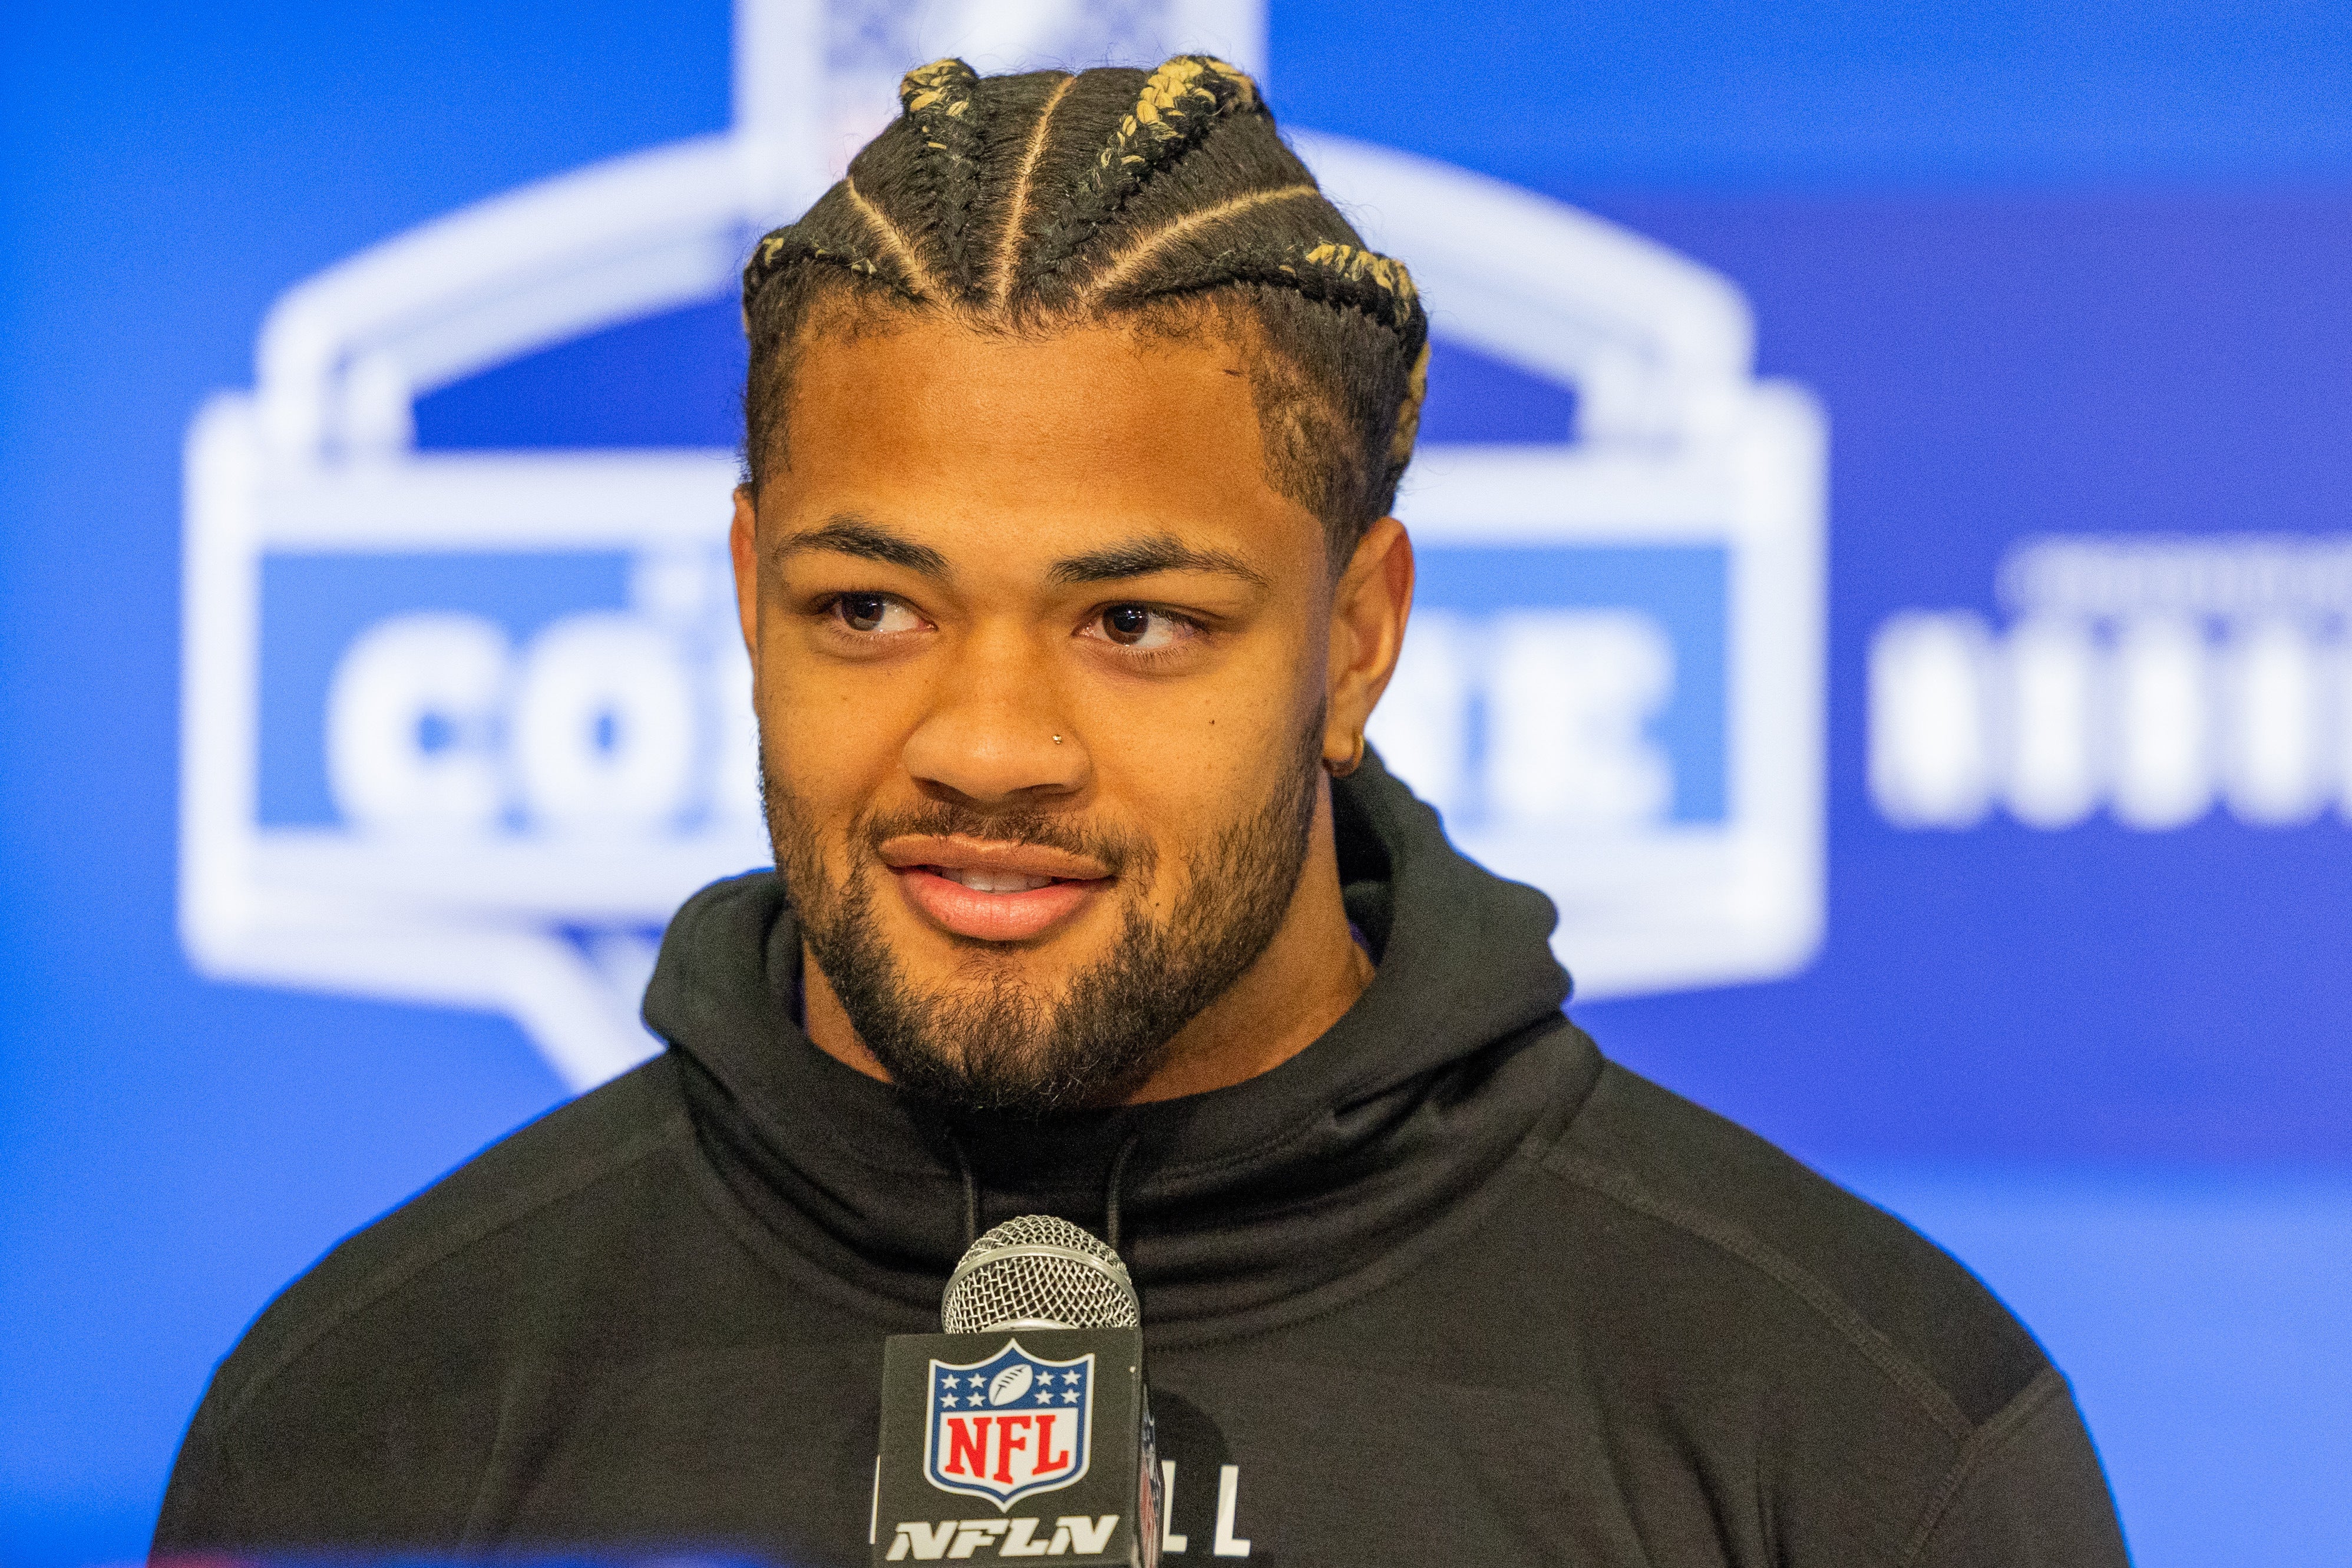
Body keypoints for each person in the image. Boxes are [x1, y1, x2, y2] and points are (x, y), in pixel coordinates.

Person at [155, 57, 2128, 1566]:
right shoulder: (372, 1416)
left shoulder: (1855, 1435)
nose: (988, 744)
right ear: (750, 597)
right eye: (871, 607)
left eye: (1135, 621)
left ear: (1356, 637)